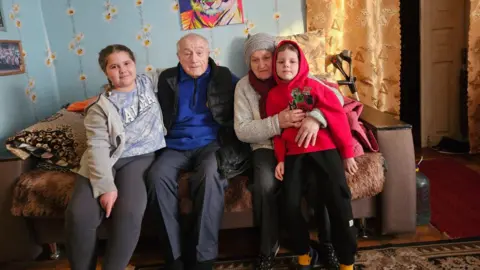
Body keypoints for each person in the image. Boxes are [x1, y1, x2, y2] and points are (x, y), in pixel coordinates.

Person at [234, 33, 342, 270]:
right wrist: (277, 122)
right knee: (265, 185)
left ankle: (328, 243)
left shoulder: (291, 70)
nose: (262, 64)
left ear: (276, 58)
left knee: (320, 180)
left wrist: (316, 118)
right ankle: (267, 248)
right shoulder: (243, 87)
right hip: (265, 145)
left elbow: (336, 98)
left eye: (266, 57)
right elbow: (241, 130)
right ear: (248, 62)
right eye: (255, 59)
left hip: (300, 144)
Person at [147, 33, 249, 270]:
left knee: (211, 174)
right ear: (178, 56)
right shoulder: (166, 78)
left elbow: (248, 92)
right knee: (156, 176)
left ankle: (203, 258)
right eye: (187, 53)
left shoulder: (223, 76)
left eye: (200, 52)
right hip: (174, 145)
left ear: (208, 52)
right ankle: (174, 257)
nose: (194, 59)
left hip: (211, 143)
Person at [65, 44, 166, 270]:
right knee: (79, 214)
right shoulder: (99, 107)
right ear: (106, 72)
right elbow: (97, 147)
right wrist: (105, 187)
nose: (122, 70)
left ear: (135, 64)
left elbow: (187, 67)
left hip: (140, 157)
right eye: (114, 66)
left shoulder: (148, 82)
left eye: (127, 63)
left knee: (129, 211)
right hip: (105, 161)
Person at [266, 40, 358, 270]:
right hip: (294, 156)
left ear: (301, 63)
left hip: (325, 150)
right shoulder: (272, 96)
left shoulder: (315, 86)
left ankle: (347, 261)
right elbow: (276, 134)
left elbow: (337, 115)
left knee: (339, 202)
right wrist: (280, 159)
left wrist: (347, 154)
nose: (286, 65)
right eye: (281, 61)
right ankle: (304, 254)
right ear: (274, 65)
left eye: (292, 61)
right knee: (289, 204)